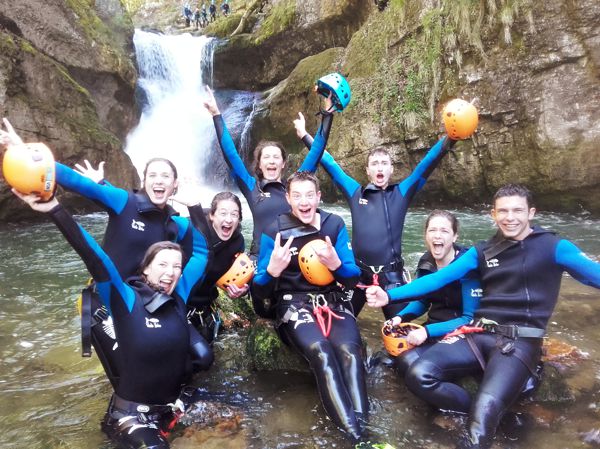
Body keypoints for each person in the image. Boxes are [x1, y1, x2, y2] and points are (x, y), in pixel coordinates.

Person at [365, 184, 600, 449]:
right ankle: (483, 412)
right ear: (493, 215)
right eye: (503, 211)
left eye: (517, 211)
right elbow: (441, 278)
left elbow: (593, 274)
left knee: (483, 416)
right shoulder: (484, 250)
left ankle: (486, 415)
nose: (510, 217)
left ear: (531, 213)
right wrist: (390, 297)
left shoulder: (555, 247)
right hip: (479, 333)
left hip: (519, 341)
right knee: (419, 374)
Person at [0, 120, 212, 388]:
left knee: (200, 357)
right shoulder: (124, 201)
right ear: (143, 180)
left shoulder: (178, 225)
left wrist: (195, 206)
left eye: (165, 176)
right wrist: (27, 155)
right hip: (109, 301)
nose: (159, 181)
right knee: (126, 372)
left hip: (151, 304)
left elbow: (204, 252)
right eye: (153, 175)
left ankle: (172, 401)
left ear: (175, 185)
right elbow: (78, 183)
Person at [13, 190, 205, 449]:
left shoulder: (179, 294)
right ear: (145, 269)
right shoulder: (125, 298)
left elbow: (203, 253)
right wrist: (55, 209)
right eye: (162, 265)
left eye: (176, 266)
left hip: (172, 409)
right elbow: (95, 258)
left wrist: (195, 206)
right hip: (132, 417)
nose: (170, 273)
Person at [294, 114, 455, 319]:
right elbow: (330, 164)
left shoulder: (401, 193)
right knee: (340, 322)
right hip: (358, 276)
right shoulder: (356, 193)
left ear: (391, 169)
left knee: (401, 330)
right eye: (375, 164)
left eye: (384, 163)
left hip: (391, 277)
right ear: (368, 171)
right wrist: (304, 135)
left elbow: (427, 164)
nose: (379, 167)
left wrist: (451, 137)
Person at [251, 171, 368, 441]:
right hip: (294, 305)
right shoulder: (274, 230)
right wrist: (272, 270)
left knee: (350, 352)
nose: (304, 201)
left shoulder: (333, 224)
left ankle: (365, 431)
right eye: (297, 196)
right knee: (322, 352)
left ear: (318, 197)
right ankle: (355, 438)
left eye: (309, 195)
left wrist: (335, 265)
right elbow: (258, 288)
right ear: (288, 199)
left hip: (332, 301)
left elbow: (352, 277)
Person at [203, 86, 335, 316]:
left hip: (295, 258)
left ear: (284, 164)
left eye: (276, 157)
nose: (272, 161)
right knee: (261, 308)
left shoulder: (295, 187)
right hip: (261, 259)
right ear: (260, 164)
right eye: (267, 157)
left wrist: (328, 115)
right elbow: (230, 154)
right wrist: (216, 114)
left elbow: (317, 151)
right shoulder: (252, 187)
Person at [390, 210, 481, 376]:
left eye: (444, 231)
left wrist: (426, 332)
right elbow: (423, 301)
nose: (437, 236)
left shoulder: (467, 265)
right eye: (432, 230)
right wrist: (399, 318)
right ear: (425, 235)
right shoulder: (426, 262)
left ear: (454, 237)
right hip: (434, 325)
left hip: (462, 333)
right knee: (391, 359)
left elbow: (470, 319)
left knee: (409, 362)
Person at [182, 192, 249, 343]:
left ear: (239, 219)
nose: (229, 219)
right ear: (212, 215)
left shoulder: (238, 242)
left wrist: (242, 290)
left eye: (234, 214)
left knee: (206, 355)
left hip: (204, 306)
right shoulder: (190, 229)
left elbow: (237, 276)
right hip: (177, 302)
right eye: (223, 213)